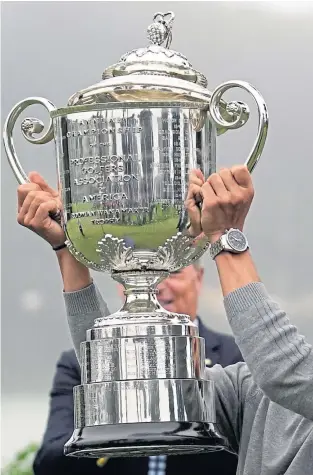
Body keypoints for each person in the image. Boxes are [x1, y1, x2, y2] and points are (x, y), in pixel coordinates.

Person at [18, 166, 313, 475]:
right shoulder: (256, 390)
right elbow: (123, 378)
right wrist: (68, 252)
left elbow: (293, 373)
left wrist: (224, 238)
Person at [18, 173, 243, 475]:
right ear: (118, 280)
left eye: (173, 270)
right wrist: (113, 428)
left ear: (199, 278)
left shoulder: (236, 361)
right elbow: (49, 463)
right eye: (133, 267)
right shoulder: (76, 363)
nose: (159, 284)